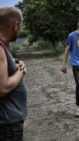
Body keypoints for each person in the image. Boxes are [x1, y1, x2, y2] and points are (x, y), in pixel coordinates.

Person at [0, 7, 27, 141]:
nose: (21, 28)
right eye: (21, 25)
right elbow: (2, 88)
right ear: (15, 25)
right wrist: (21, 72)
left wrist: (14, 65)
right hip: (7, 126)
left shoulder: (4, 46)